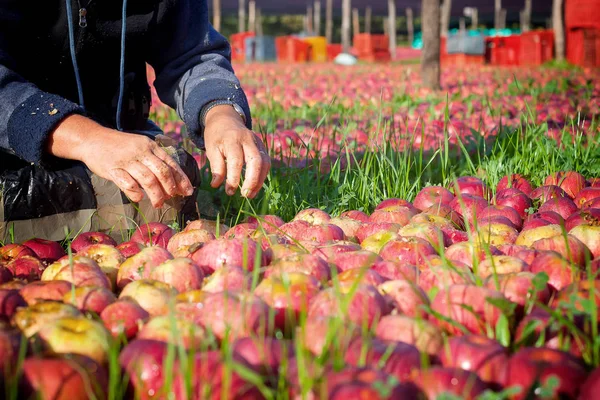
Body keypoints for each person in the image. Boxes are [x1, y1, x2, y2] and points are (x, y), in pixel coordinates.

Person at [0, 0, 270, 241]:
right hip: (12, 147)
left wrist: (221, 114)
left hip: (121, 141)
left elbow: (191, 54)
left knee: (173, 178)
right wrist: (87, 139)